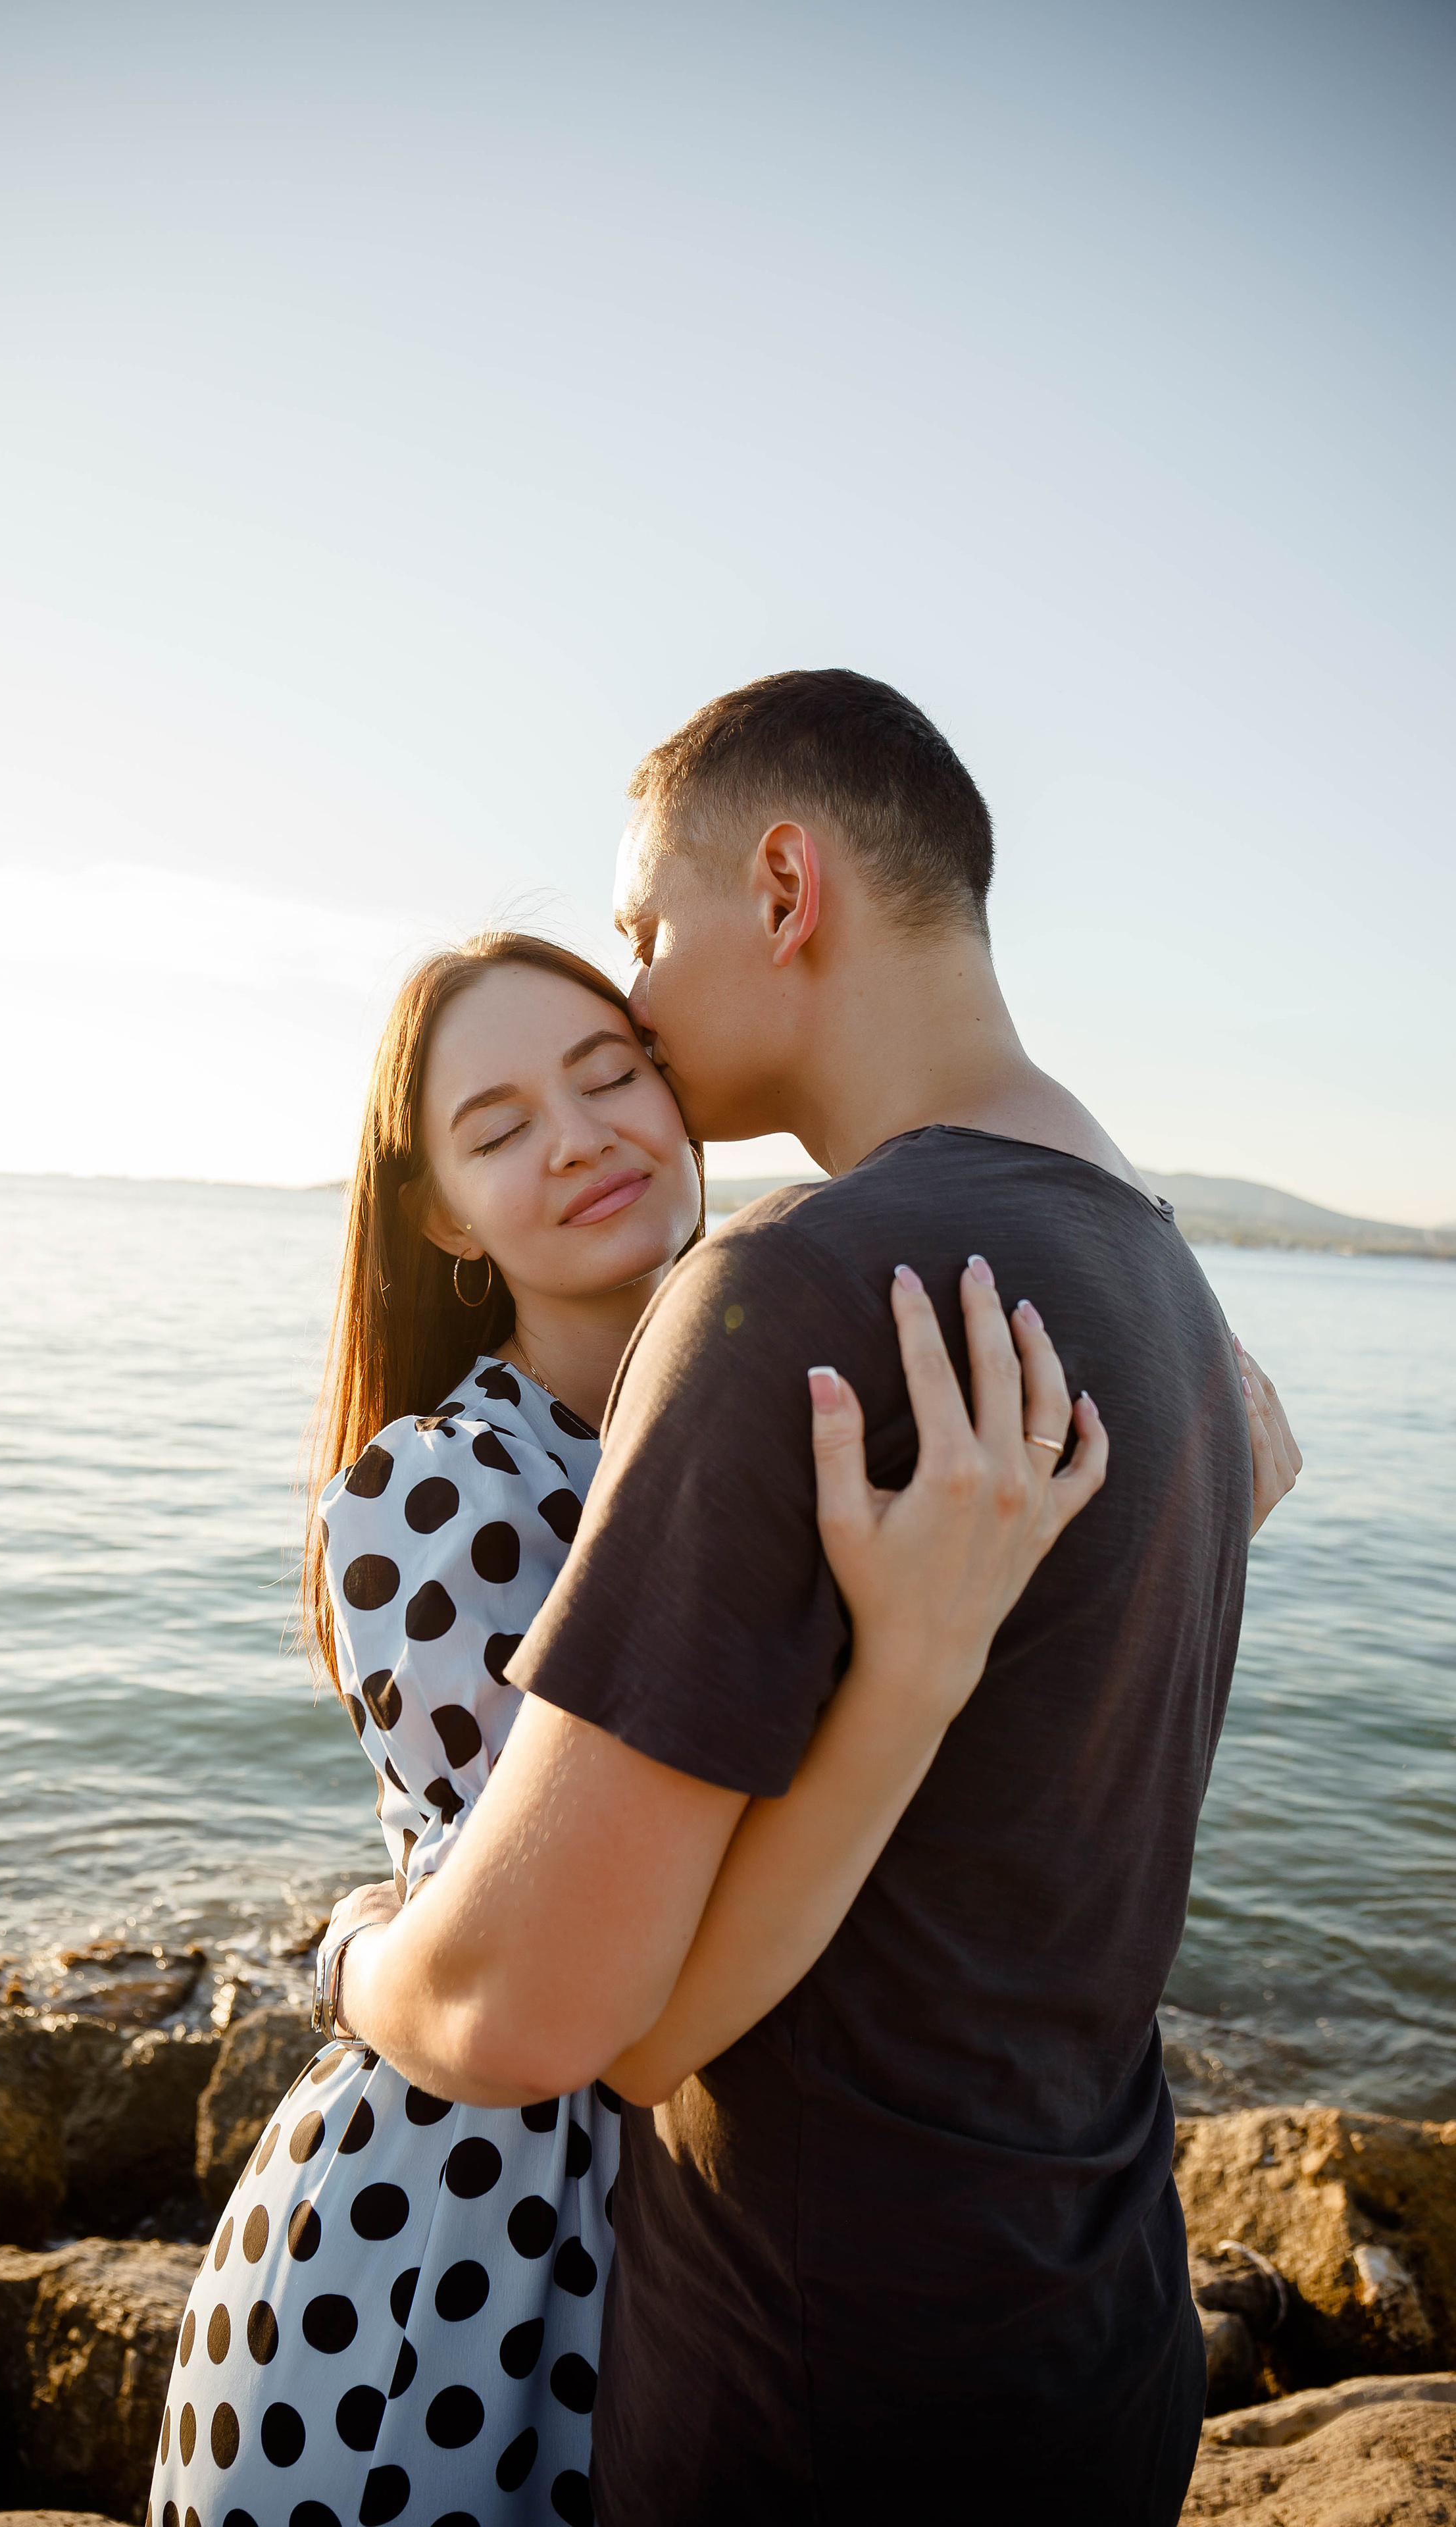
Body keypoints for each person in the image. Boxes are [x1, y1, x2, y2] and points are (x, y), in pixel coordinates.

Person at [322, 673, 1303, 2526]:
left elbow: (552, 2016)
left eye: (642, 932)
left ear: (784, 890)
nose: (636, 999)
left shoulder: (797, 1287)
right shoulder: (1167, 1292)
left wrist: (350, 1951)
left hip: (825, 2388)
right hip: (1099, 2341)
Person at [149, 929, 1116, 2527]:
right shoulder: (442, 1489)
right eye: (498, 1129)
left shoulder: (795, 1415)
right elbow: (594, 2006)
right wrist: (351, 1961)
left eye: (610, 1077)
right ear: (443, 1215)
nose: (579, 1138)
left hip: (691, 2235)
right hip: (446, 2247)